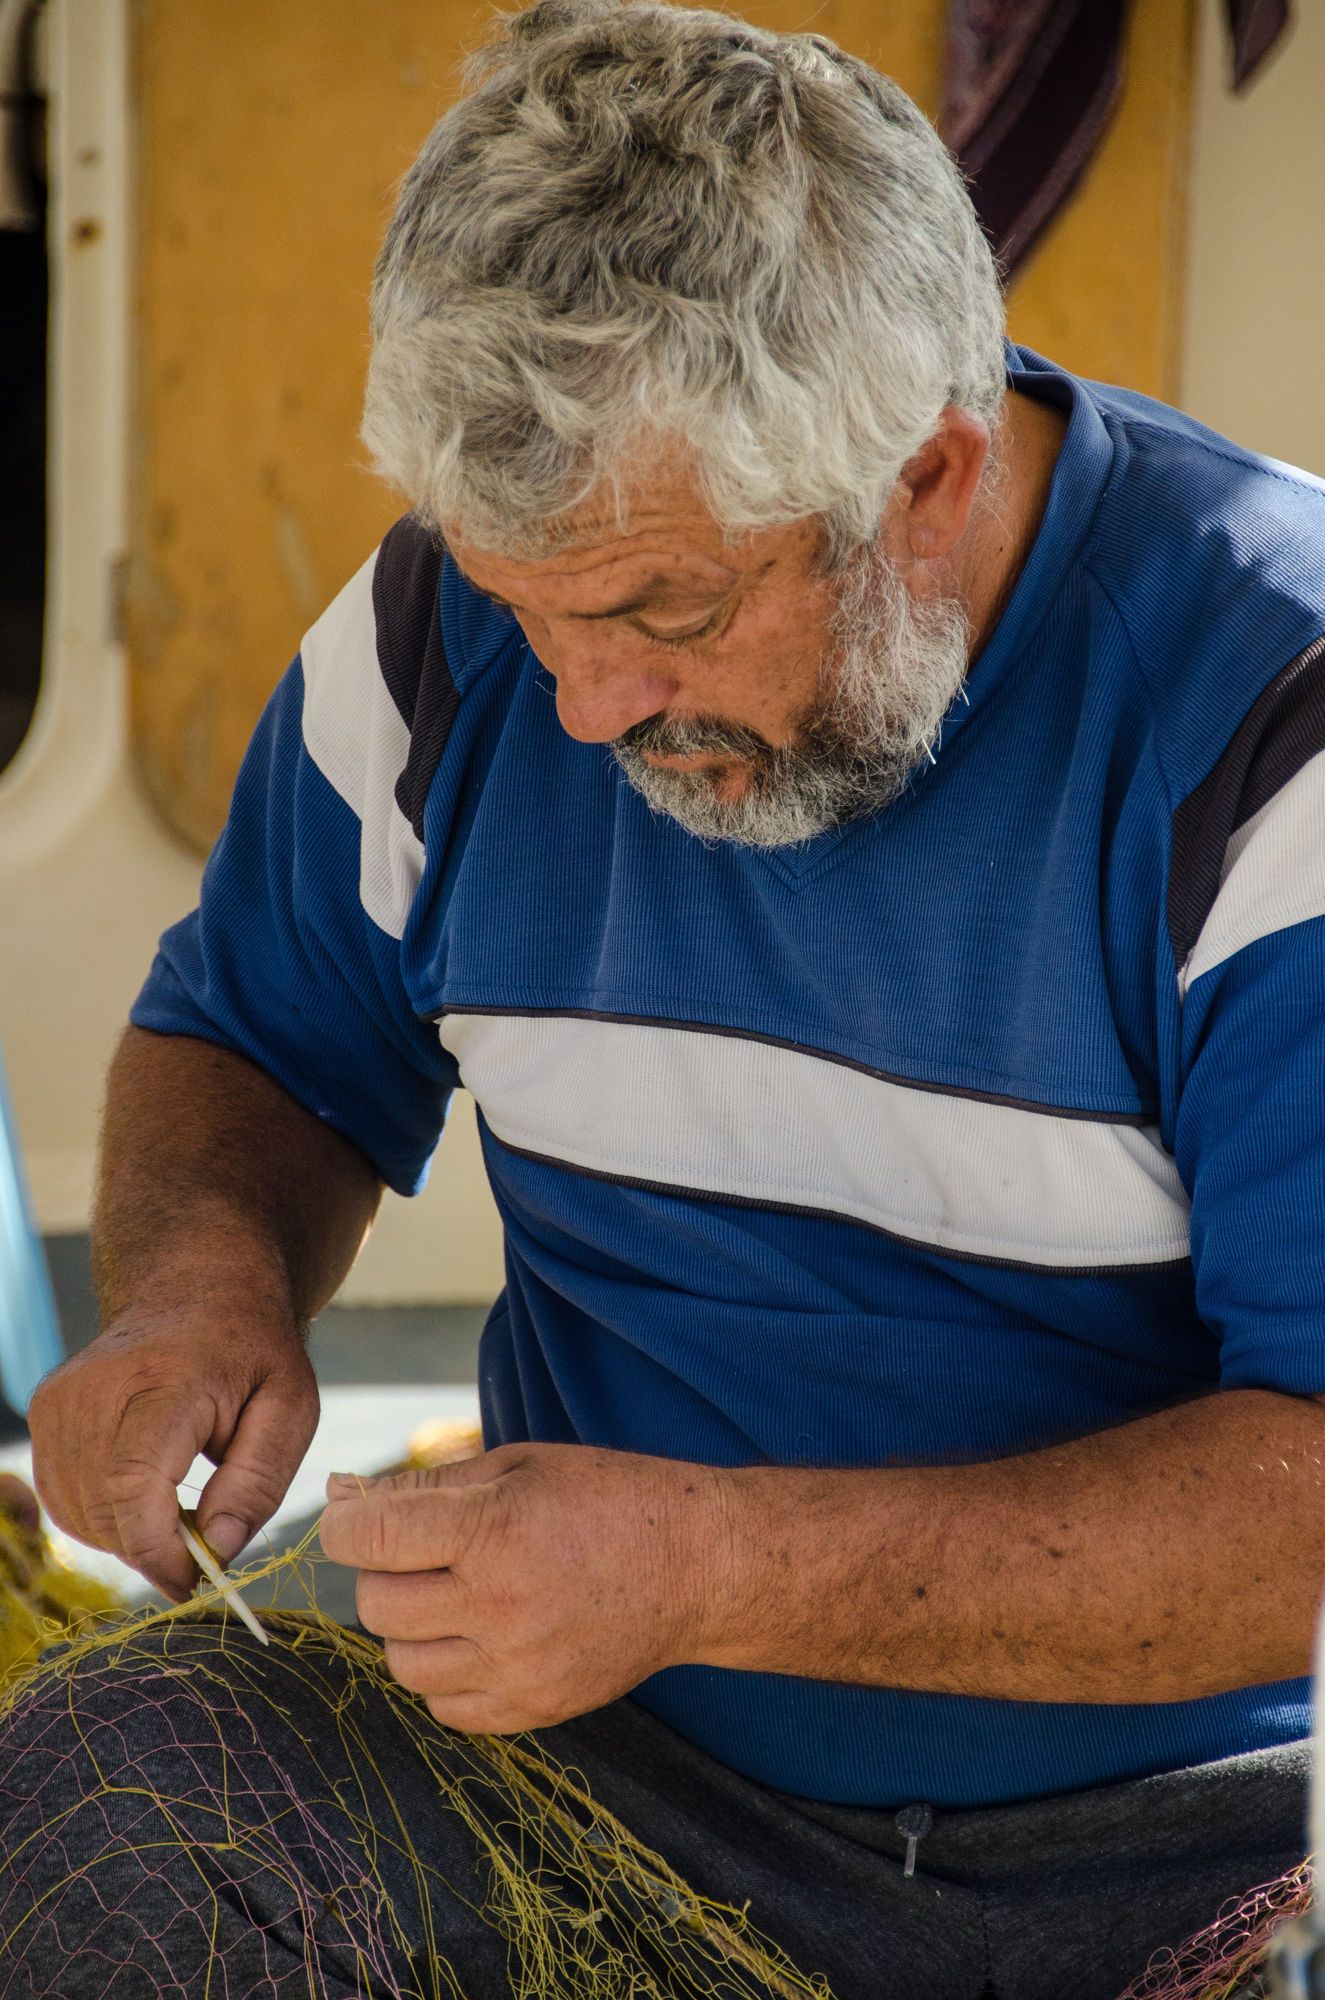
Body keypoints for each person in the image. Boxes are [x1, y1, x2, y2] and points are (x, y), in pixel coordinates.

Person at [6, 2, 1325, 1994]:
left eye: (664, 614)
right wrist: (198, 1287)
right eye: (527, 612)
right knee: (96, 1801)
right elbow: (258, 1043)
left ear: (928, 477)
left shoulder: (1274, 734)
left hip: (1187, 1843)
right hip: (597, 1764)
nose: (586, 707)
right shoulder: (444, 644)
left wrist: (704, 1569)